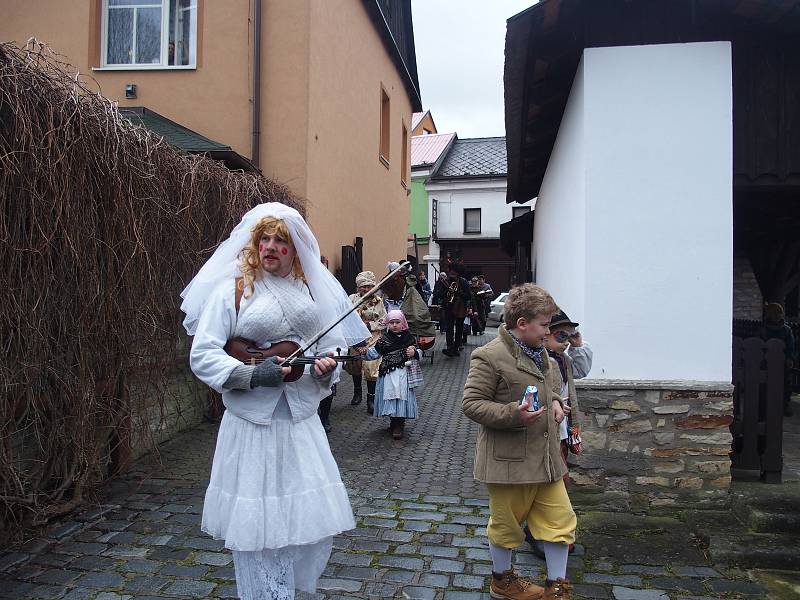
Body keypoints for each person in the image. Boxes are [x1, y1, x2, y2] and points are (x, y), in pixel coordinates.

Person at [181, 203, 370, 600]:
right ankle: (265, 594)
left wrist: (326, 371)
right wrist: (251, 374)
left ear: (294, 249)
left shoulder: (312, 293)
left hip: (301, 423)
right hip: (252, 427)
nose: (270, 246)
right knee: (258, 524)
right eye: (264, 239)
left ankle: (293, 589)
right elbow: (203, 354)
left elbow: (330, 349)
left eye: (280, 241)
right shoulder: (233, 289)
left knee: (307, 522)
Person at [463, 283, 576, 600]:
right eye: (544, 325)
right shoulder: (488, 356)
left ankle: (557, 588)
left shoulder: (542, 354)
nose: (548, 331)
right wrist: (515, 414)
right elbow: (471, 404)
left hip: (547, 459)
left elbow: (547, 388)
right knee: (506, 526)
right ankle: (503, 581)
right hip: (509, 462)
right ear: (522, 323)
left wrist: (554, 400)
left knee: (560, 521)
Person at [360, 310, 422, 440]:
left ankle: (399, 423)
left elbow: (419, 353)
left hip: (404, 373)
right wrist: (363, 351)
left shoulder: (409, 338)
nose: (394, 325)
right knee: (390, 398)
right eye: (392, 322)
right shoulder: (384, 339)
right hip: (387, 374)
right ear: (388, 323)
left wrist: (414, 353)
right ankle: (393, 422)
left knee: (401, 398)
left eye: (397, 322)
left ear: (403, 323)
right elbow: (374, 353)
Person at [347, 270, 387, 415]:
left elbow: (384, 321)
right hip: (355, 338)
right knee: (354, 366)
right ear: (358, 287)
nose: (365, 289)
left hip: (372, 338)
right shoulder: (351, 299)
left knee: (371, 368)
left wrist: (370, 326)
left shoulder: (379, 301)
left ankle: (371, 400)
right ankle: (357, 393)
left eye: (369, 286)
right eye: (363, 286)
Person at [383, 261, 437, 343]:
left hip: (409, 302)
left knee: (413, 318)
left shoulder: (408, 279)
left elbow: (418, 291)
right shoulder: (390, 280)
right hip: (393, 304)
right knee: (393, 321)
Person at [761, 302, 796, 416]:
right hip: (767, 362)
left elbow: (790, 346)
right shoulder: (763, 329)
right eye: (775, 313)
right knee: (765, 385)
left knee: (785, 385)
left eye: (780, 313)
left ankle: (784, 405)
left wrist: (790, 358)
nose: (778, 316)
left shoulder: (786, 330)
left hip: (782, 362)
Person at [440, 263, 472, 357]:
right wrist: (446, 290)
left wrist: (458, 293)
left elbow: (468, 296)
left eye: (454, 271)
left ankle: (456, 348)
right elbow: (439, 294)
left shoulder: (463, 282)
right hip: (449, 307)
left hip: (460, 308)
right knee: (449, 328)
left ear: (458, 273)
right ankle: (449, 347)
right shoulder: (446, 281)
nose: (451, 273)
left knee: (459, 328)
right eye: (451, 271)